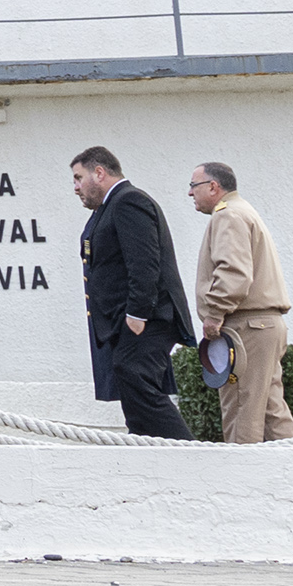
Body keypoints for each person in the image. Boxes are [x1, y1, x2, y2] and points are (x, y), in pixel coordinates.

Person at [73, 146, 194, 441]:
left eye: (78, 178)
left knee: (135, 377)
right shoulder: (109, 208)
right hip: (127, 321)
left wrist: (137, 315)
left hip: (147, 318)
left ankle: (191, 456)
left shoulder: (129, 201)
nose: (75, 187)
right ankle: (145, 455)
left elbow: (144, 263)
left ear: (99, 173)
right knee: (132, 387)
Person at [187, 160, 293, 443]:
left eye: (193, 186)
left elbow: (233, 272)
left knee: (241, 408)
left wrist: (214, 313)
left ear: (213, 187)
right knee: (271, 409)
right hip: (265, 324)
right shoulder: (244, 211)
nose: (190, 194)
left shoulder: (228, 216)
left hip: (245, 326)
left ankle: (242, 481)